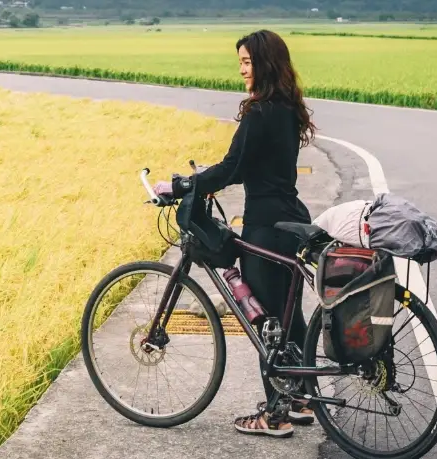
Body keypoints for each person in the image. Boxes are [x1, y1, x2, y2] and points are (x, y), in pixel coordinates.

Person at [152, 29, 317, 438]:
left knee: (267, 322)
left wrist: (181, 186)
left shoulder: (259, 112)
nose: (242, 69)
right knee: (288, 314)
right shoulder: (287, 107)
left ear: (264, 64)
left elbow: (233, 169)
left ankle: (275, 416)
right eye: (240, 62)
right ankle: (300, 399)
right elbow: (250, 162)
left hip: (266, 226)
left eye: (247, 62)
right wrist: (206, 176)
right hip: (292, 218)